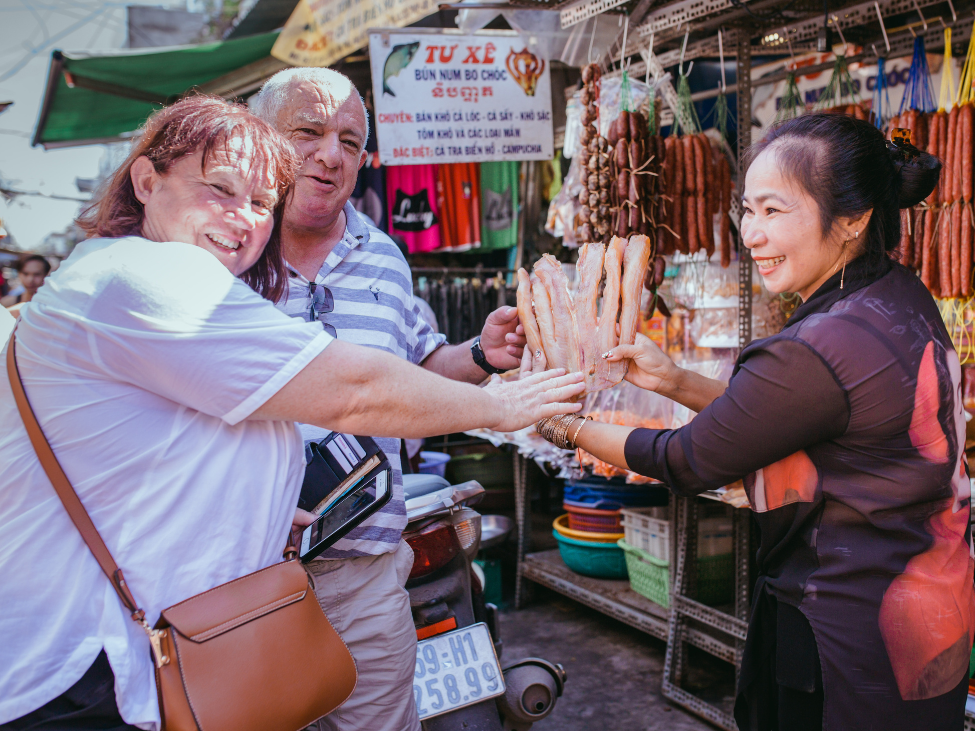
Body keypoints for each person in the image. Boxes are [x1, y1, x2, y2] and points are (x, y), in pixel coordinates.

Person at [0, 95, 584, 731]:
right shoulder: (148, 277)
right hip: (91, 667)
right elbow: (353, 388)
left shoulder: (369, 256)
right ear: (147, 180)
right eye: (220, 188)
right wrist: (497, 408)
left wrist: (252, 498)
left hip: (208, 617)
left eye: (259, 201)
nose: (243, 217)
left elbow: (148, 448)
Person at [535, 114, 972, 730]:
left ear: (853, 219)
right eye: (749, 210)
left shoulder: (819, 344)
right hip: (926, 621)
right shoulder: (898, 295)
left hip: (845, 639)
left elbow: (686, 459)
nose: (751, 235)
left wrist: (557, 423)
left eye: (774, 211)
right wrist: (674, 381)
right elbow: (787, 424)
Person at [250, 68, 531, 731]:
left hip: (367, 569)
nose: (331, 156)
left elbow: (418, 365)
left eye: (349, 141)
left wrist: (482, 354)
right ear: (257, 139)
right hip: (247, 575)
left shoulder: (382, 253)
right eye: (307, 133)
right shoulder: (224, 250)